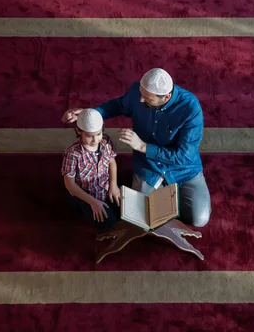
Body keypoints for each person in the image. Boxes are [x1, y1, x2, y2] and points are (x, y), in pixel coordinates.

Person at [62, 68, 211, 227]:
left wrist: (143, 146)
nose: (140, 100)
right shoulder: (137, 92)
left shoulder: (190, 107)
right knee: (141, 217)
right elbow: (118, 105)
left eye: (146, 98)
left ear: (166, 97)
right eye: (140, 93)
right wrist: (90, 116)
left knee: (199, 219)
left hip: (183, 170)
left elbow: (183, 156)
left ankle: (174, 198)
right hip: (149, 168)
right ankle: (168, 200)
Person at [61, 108, 121, 233]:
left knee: (126, 213)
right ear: (78, 131)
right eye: (89, 136)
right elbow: (70, 185)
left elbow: (111, 162)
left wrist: (113, 186)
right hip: (85, 196)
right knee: (109, 224)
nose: (95, 140)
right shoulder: (73, 153)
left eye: (98, 134)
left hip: (104, 189)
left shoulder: (105, 141)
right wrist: (93, 202)